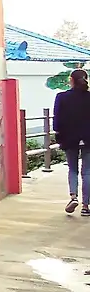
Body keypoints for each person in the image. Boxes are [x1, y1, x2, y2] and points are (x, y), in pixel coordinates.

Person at [54, 69, 90, 214]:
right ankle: (86, 206)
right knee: (87, 171)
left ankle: (73, 197)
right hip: (88, 138)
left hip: (69, 138)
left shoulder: (61, 97)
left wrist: (59, 134)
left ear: (71, 80)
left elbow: (57, 120)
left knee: (73, 169)